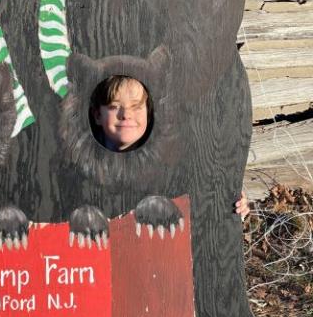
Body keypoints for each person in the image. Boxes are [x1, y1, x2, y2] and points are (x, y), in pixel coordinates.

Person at [90, 75, 250, 218]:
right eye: (115, 106)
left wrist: (231, 201)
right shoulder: (81, 164)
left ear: (149, 112)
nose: (126, 114)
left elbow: (204, 196)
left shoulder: (170, 161)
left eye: (136, 106)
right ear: (97, 115)